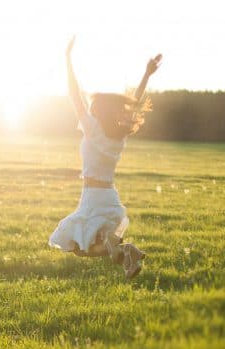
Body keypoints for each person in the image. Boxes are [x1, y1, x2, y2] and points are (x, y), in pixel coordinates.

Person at [48, 36, 162, 279]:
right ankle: (127, 254)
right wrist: (146, 74)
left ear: (97, 110)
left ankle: (126, 251)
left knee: (81, 248)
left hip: (93, 198)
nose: (88, 109)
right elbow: (132, 105)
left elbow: (73, 92)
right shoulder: (119, 134)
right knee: (99, 245)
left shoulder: (91, 128)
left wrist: (67, 58)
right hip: (110, 197)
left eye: (92, 106)